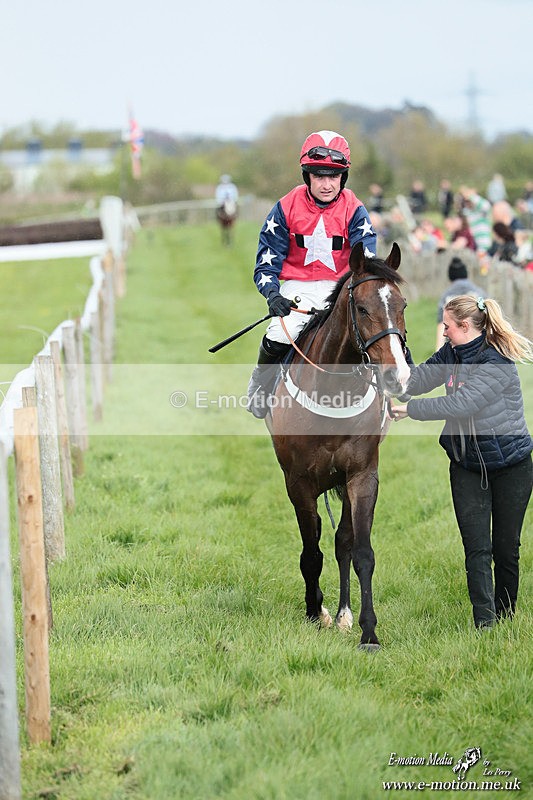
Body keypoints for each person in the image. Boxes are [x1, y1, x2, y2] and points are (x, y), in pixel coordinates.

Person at [392, 295, 533, 629]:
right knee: (477, 549)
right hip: (467, 465)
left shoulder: (496, 363)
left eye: (447, 326)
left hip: (512, 467)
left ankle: (506, 616)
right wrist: (397, 365)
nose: (443, 332)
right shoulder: (451, 353)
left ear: (465, 326)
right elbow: (417, 381)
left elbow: (461, 404)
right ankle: (485, 625)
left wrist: (410, 410)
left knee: (505, 549)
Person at [247, 130, 377, 418]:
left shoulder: (355, 210)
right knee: (279, 335)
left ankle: (392, 389)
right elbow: (266, 263)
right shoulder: (284, 207)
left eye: (334, 176)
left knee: (374, 329)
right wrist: (272, 295)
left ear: (343, 177)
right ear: (307, 175)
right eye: (319, 175)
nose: (327, 184)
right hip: (298, 287)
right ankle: (261, 384)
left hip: (342, 288)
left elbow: (366, 262)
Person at [435, 257, 483, 349]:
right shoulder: (479, 292)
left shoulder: (446, 296)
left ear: (450, 275)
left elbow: (441, 323)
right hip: (478, 343)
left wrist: (438, 350)